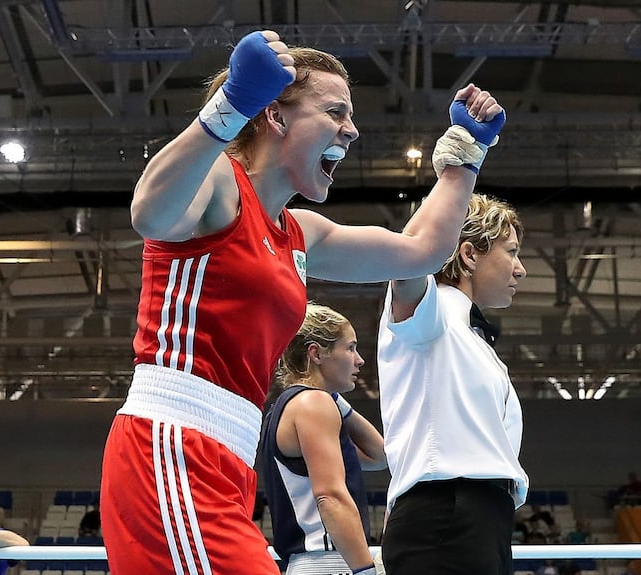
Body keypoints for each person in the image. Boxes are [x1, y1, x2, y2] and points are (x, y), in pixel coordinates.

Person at [99, 27, 506, 575]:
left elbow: (421, 252)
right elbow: (149, 214)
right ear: (276, 116)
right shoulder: (220, 181)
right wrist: (229, 107)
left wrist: (464, 156)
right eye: (336, 111)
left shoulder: (300, 233)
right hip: (172, 440)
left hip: (228, 457)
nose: (352, 129)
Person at [376, 193, 527, 575]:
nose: (520, 269)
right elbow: (406, 256)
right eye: (511, 251)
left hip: (482, 521)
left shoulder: (472, 337)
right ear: (469, 255)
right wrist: (458, 174)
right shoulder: (434, 311)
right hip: (445, 514)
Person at [259, 303, 387, 575]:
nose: (359, 359)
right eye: (350, 348)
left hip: (311, 563)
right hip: (331, 561)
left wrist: (336, 399)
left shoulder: (290, 407)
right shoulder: (313, 406)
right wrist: (364, 570)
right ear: (316, 354)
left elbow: (379, 457)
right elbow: (330, 496)